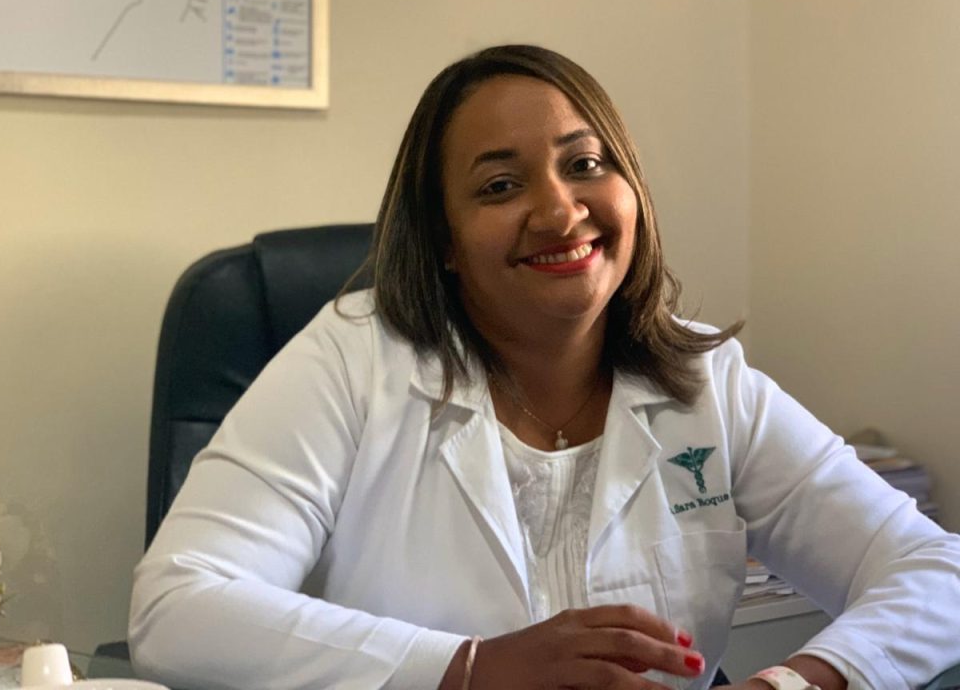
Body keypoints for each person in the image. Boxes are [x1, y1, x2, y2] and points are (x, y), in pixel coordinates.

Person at [128, 45, 960, 690]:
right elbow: (177, 605)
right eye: (500, 186)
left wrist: (797, 682)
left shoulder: (707, 381)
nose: (561, 211)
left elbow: (936, 571)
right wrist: (469, 669)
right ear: (444, 239)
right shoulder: (352, 361)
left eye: (586, 164)